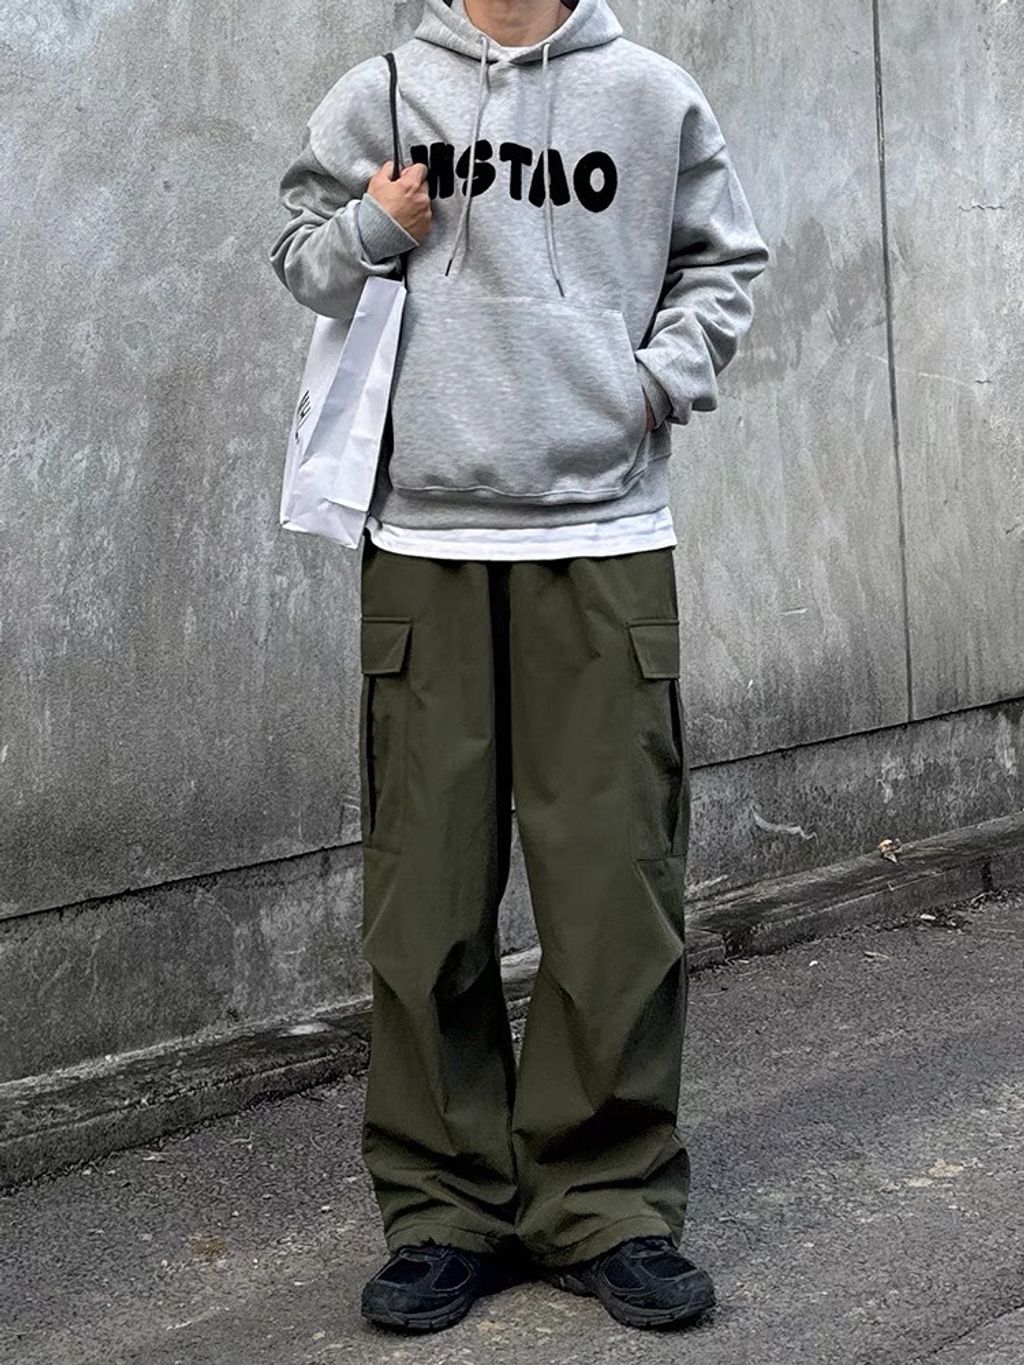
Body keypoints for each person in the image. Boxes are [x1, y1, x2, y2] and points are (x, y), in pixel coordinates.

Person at [270, 0, 768, 1336]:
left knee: (615, 890)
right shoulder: (383, 86)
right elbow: (302, 257)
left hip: (603, 537)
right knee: (425, 896)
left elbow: (724, 261)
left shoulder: (649, 95)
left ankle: (606, 1203)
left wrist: (648, 385)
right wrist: (375, 229)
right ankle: (443, 1210)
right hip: (426, 541)